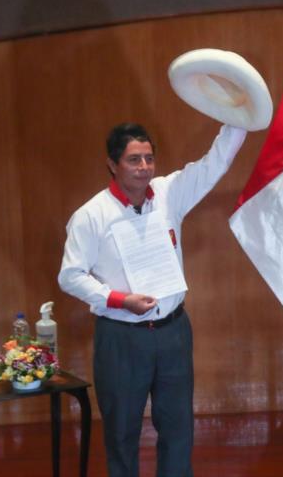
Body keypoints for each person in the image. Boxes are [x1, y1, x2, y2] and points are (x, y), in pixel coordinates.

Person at [58, 122, 246, 476]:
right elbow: (70, 275)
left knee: (178, 430)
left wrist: (237, 116)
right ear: (113, 164)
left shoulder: (169, 191)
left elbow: (215, 163)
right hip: (122, 336)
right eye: (133, 160)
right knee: (122, 433)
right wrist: (117, 299)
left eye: (148, 158)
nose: (144, 167)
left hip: (173, 331)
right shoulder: (91, 216)